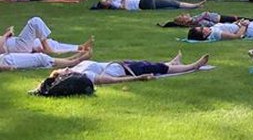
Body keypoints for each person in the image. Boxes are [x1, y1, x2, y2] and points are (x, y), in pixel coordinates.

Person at [39, 52, 209, 86]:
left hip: (122, 64)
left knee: (148, 62)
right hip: (125, 71)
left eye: (64, 71)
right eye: (64, 73)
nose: (66, 70)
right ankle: (192, 66)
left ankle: (172, 62)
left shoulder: (77, 68)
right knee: (158, 68)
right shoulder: (84, 76)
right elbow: (111, 80)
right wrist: (137, 79)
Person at [1, 17, 91, 55]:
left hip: (17, 45)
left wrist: (8, 35)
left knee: (49, 42)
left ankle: (78, 48)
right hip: (16, 47)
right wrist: (7, 34)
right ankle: (48, 49)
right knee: (35, 21)